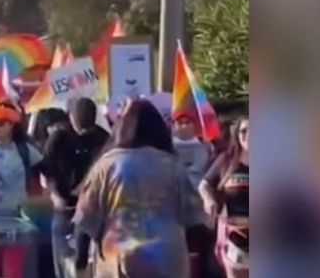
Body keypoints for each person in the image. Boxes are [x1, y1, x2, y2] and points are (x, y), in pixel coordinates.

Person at [73, 100, 208, 278]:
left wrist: (81, 263)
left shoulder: (106, 166)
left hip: (119, 259)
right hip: (167, 259)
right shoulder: (172, 165)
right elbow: (195, 220)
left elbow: (85, 220)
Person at [40, 98, 108, 278]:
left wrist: (85, 187)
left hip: (90, 209)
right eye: (79, 127)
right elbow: (46, 170)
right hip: (63, 208)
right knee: (61, 258)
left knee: (83, 260)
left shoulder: (103, 139)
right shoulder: (58, 138)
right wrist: (55, 195)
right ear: (70, 118)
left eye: (87, 129)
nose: (82, 133)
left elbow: (103, 169)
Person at [0, 100, 43, 278]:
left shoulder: (25, 150)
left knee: (12, 273)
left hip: (17, 222)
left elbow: (47, 174)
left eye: (1, 123)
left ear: (11, 125)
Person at [199, 116, 249, 278]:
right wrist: (209, 199)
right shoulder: (226, 161)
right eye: (243, 131)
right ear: (237, 135)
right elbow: (204, 184)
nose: (248, 135)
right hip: (236, 235)